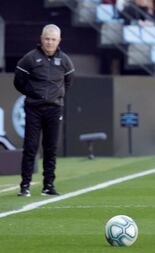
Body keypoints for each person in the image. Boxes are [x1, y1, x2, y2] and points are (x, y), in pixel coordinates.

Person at [14, 24, 75, 197]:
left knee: (51, 148)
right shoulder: (29, 59)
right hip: (34, 108)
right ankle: (24, 186)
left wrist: (57, 96)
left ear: (59, 41)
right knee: (30, 147)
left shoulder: (65, 60)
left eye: (53, 39)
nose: (49, 42)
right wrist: (33, 94)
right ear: (41, 39)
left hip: (54, 109)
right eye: (47, 39)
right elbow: (18, 82)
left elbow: (69, 82)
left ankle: (48, 185)